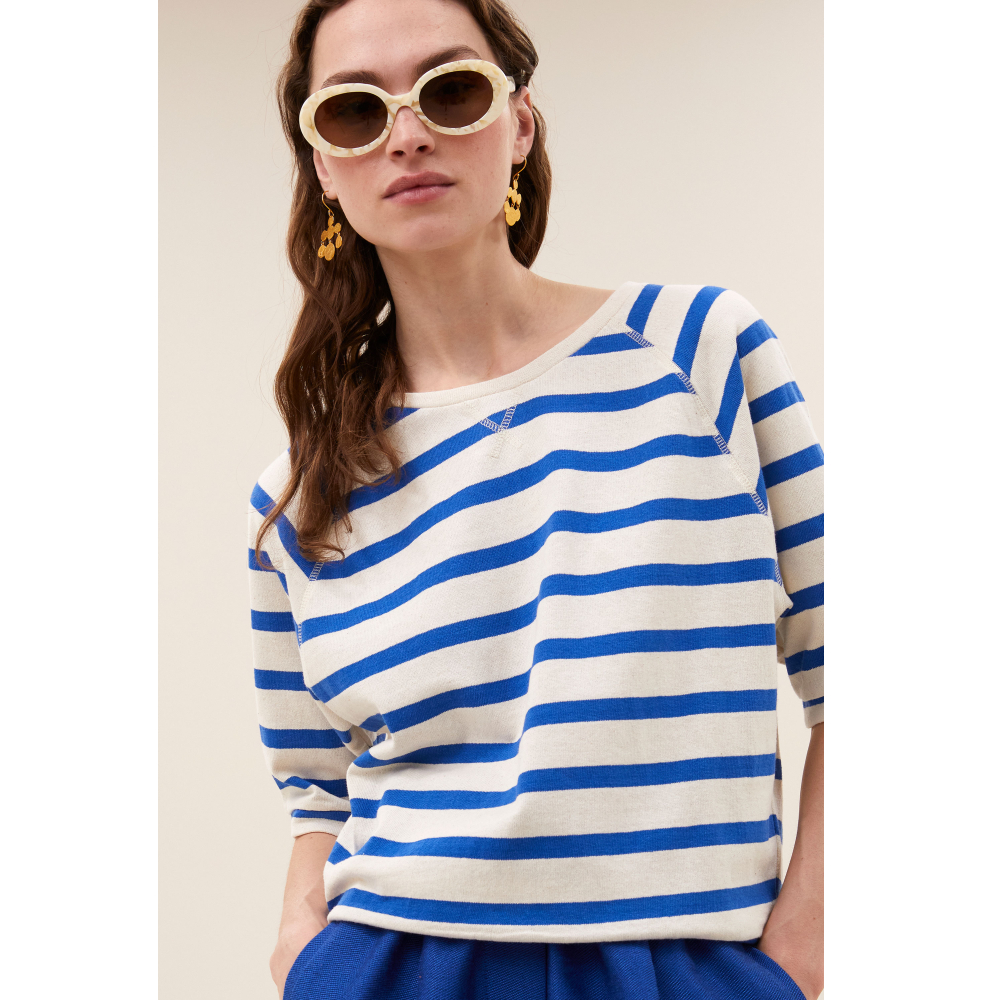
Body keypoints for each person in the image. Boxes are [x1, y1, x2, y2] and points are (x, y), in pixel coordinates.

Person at [247, 0, 824, 997]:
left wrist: (804, 943)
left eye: (450, 90)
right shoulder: (302, 492)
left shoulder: (698, 353)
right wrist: (303, 941)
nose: (407, 133)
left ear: (518, 122)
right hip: (394, 963)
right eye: (355, 111)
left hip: (678, 960)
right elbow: (317, 786)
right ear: (325, 169)